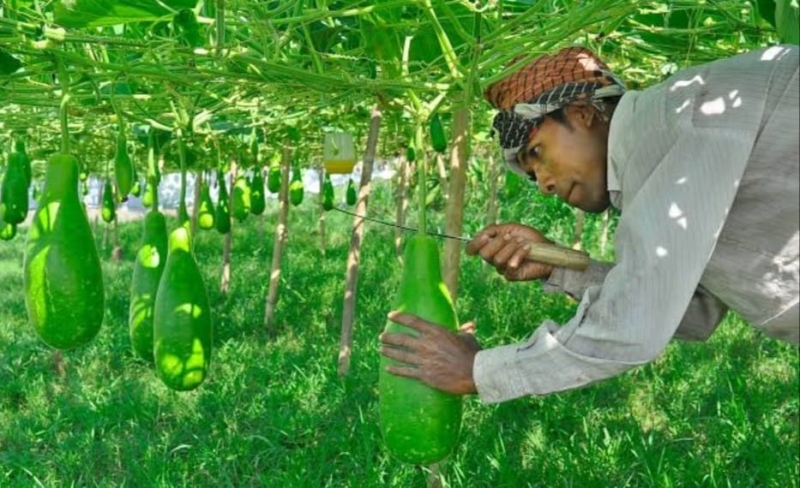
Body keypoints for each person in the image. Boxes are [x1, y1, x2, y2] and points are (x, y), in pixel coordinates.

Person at [379, 44, 799, 403]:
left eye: (538, 153)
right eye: (530, 175)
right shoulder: (658, 175)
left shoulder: (676, 121)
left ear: (582, 113)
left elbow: (633, 327)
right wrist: (558, 267)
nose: (542, 184)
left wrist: (477, 370)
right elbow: (696, 313)